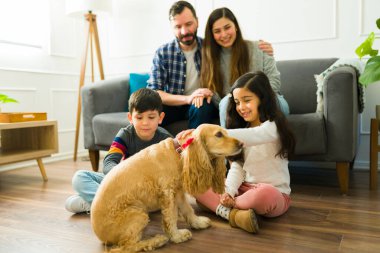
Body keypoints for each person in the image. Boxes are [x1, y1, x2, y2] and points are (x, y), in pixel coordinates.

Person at [181, 72, 295, 233]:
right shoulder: (241, 132)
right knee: (196, 186)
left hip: (273, 194)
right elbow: (238, 167)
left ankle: (225, 208)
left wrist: (210, 133)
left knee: (264, 194)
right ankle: (235, 215)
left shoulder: (273, 127)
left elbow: (256, 136)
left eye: (247, 100)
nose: (241, 107)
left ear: (263, 98)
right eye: (237, 102)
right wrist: (228, 191)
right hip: (243, 190)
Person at [147, 1, 274, 128]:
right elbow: (154, 92)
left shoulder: (210, 48)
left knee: (202, 106)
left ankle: (194, 146)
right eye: (178, 27)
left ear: (197, 21)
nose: (184, 31)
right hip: (174, 104)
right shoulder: (163, 53)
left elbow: (232, 48)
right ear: (172, 27)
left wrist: (260, 48)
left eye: (189, 24)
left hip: (203, 102)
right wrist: (188, 98)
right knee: (148, 110)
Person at [65, 88, 172, 213]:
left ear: (160, 117)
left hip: (149, 191)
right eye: (139, 117)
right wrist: (124, 174)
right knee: (79, 177)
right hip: (124, 182)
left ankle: (103, 206)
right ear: (130, 118)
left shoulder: (166, 140)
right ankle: (117, 206)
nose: (145, 123)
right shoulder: (125, 134)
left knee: (72, 203)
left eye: (151, 117)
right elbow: (109, 162)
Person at [200, 7, 290, 128]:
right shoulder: (210, 60)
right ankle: (231, 144)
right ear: (212, 34)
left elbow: (274, 81)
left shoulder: (259, 47)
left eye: (227, 28)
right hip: (235, 105)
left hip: (268, 99)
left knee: (280, 105)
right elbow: (217, 99)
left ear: (235, 26)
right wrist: (239, 101)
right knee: (226, 103)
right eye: (217, 31)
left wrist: (254, 100)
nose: (224, 34)